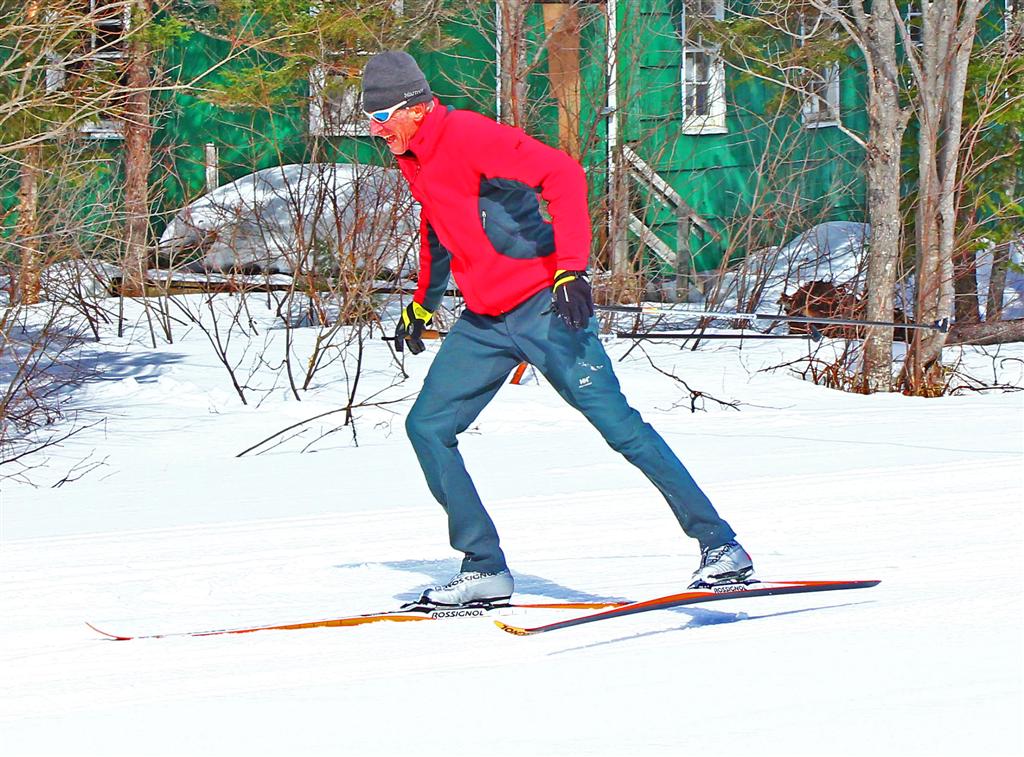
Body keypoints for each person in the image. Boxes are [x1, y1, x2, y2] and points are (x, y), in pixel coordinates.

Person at [360, 50, 753, 606]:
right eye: (370, 122)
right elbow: (437, 221)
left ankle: (721, 548)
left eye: (380, 120)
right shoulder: (415, 156)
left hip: (544, 308)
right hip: (485, 322)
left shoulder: (467, 134)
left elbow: (562, 173)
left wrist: (572, 267)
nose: (375, 132)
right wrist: (424, 301)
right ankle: (484, 568)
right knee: (427, 426)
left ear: (415, 109)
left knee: (620, 428)